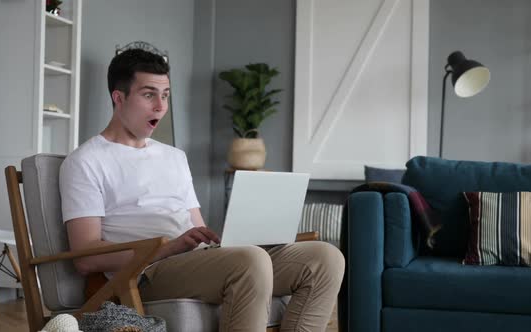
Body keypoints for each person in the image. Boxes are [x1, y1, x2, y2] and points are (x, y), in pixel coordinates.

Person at [59, 48, 345, 331]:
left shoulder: (174, 156)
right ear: (118, 98)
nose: (160, 106)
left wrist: (233, 238)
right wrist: (166, 248)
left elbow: (197, 228)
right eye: (149, 95)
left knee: (325, 259)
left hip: (195, 260)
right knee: (250, 262)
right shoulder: (86, 161)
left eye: (166, 95)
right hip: (147, 272)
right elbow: (86, 257)